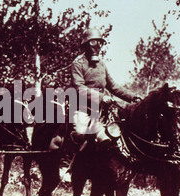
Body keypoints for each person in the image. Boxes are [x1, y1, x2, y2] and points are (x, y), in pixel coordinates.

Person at [60, 27, 142, 181]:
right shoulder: (78, 63)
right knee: (79, 132)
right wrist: (100, 96)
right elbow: (79, 87)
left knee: (115, 134)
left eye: (100, 43)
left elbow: (114, 86)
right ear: (85, 45)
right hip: (82, 107)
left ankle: (105, 169)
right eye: (94, 43)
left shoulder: (102, 65)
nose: (98, 47)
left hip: (101, 110)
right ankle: (66, 165)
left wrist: (133, 97)